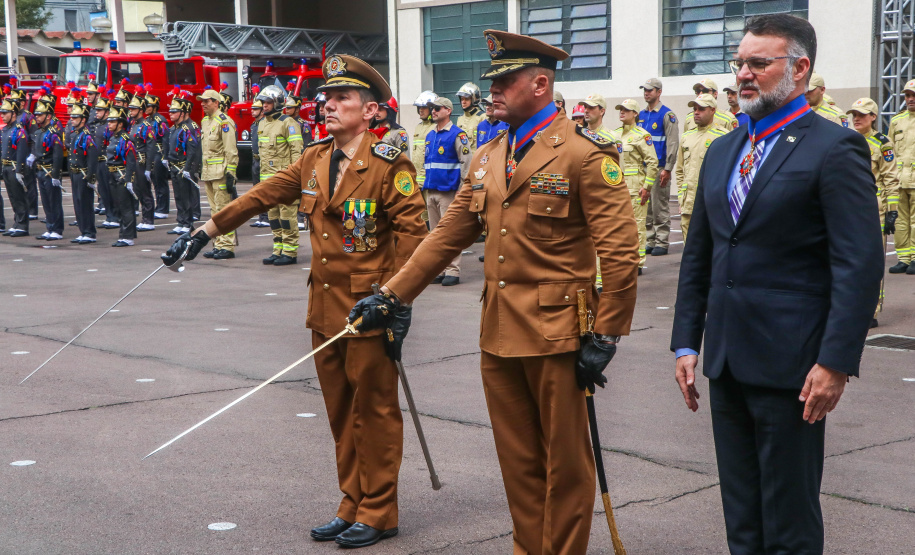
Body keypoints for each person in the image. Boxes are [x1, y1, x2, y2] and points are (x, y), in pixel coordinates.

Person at [350, 29, 638, 554]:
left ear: (541, 83)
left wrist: (609, 332)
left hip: (559, 334)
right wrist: (392, 295)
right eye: (493, 81)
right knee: (518, 460)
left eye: (505, 81)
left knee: (566, 464)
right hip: (498, 332)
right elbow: (446, 236)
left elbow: (619, 252)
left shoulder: (586, 155)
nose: (493, 91)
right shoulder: (487, 155)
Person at [163, 54, 426, 548]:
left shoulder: (392, 165)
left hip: (370, 309)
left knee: (374, 412)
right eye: (327, 97)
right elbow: (257, 196)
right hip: (324, 309)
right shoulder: (313, 158)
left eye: (342, 97)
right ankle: (351, 502)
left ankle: (380, 510)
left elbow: (416, 240)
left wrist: (397, 301)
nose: (328, 105)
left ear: (371, 112)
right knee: (340, 413)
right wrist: (203, 232)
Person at [672, 15, 884, 555]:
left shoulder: (833, 148)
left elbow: (858, 266)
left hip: (795, 367)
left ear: (799, 68)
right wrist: (685, 341)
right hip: (725, 358)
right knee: (741, 517)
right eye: (739, 63)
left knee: (788, 519)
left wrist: (835, 362)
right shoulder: (723, 150)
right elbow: (701, 254)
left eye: (758, 64)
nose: (743, 74)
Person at [848, 97, 900, 327]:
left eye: (861, 114)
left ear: (873, 117)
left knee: (872, 261)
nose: (856, 118)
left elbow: (890, 178)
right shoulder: (847, 140)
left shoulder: (882, 143)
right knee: (849, 260)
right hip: (848, 207)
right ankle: (849, 306)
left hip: (873, 210)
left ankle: (872, 310)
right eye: (854, 114)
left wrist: (892, 211)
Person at [423, 96, 472, 286]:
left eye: (437, 108)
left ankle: (453, 270)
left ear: (448, 111)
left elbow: (466, 164)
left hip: (449, 192)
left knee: (450, 232)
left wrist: (462, 190)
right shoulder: (430, 135)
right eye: (432, 108)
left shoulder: (458, 135)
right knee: (435, 234)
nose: (433, 111)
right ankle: (440, 269)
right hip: (431, 190)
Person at [257, 85, 303, 265]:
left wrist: (295, 177)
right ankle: (278, 249)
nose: (265, 105)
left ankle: (290, 252)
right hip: (267, 180)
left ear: (277, 102)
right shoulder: (262, 123)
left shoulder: (288, 123)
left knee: (287, 217)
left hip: (285, 179)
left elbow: (296, 152)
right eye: (263, 102)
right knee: (273, 217)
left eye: (268, 102)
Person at [675, 94, 727, 242]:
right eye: (694, 109)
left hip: (710, 201)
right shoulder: (686, 136)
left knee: (709, 241)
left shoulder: (722, 136)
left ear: (713, 110)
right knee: (689, 242)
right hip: (688, 201)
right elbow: (679, 170)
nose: (696, 112)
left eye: (701, 109)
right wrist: (680, 197)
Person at [616, 98, 659, 273]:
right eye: (620, 109)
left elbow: (653, 162)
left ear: (635, 114)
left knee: (637, 226)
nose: (622, 112)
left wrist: (647, 187)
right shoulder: (615, 134)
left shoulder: (642, 136)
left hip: (635, 188)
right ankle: (621, 260)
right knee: (618, 226)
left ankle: (638, 262)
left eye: (626, 110)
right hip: (617, 187)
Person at [639, 78, 680, 257]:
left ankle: (662, 241)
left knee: (659, 206)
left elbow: (672, 143)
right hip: (644, 169)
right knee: (646, 206)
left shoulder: (667, 115)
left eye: (650, 90)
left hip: (659, 167)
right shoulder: (640, 115)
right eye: (645, 90)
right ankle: (650, 240)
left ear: (659, 92)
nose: (647, 93)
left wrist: (668, 168)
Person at [197, 87, 239, 260]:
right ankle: (219, 243)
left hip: (221, 173)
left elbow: (231, 150)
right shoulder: (205, 122)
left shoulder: (224, 122)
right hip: (208, 173)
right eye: (202, 101)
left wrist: (231, 173)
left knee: (223, 211)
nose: (203, 104)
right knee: (214, 211)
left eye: (206, 101)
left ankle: (227, 246)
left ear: (216, 103)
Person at [165, 88, 201, 236]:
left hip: (183, 167)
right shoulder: (174, 128)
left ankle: (187, 223)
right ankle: (180, 221)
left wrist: (188, 168)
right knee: (178, 196)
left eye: (174, 111)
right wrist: (167, 158)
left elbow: (193, 149)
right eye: (171, 111)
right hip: (174, 166)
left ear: (183, 112)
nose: (171, 114)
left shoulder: (188, 128)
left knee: (186, 196)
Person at [888, 78, 915, 274]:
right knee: (900, 221)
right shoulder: (896, 120)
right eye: (908, 95)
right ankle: (904, 258)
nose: (911, 99)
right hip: (899, 180)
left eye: (914, 96)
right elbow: (889, 150)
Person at [67, 97, 100, 244]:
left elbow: (92, 159)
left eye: (76, 117)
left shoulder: (87, 137)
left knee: (85, 204)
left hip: (83, 174)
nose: (72, 119)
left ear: (83, 119)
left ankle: (89, 232)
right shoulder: (75, 135)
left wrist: (91, 178)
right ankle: (83, 230)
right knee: (77, 203)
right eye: (72, 117)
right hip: (75, 174)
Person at [31, 99, 65, 241]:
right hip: (40, 170)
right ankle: (50, 227)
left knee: (54, 201)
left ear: (49, 116)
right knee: (45, 201)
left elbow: (57, 156)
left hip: (50, 171)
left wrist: (56, 175)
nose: (37, 117)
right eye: (37, 115)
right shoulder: (39, 132)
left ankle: (57, 229)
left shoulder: (53, 133)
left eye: (40, 115)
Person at [106, 107, 140, 247]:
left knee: (126, 207)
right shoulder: (114, 137)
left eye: (112, 121)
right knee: (119, 206)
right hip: (113, 174)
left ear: (120, 123)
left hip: (122, 175)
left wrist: (129, 180)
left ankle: (127, 236)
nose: (109, 124)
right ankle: (124, 234)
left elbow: (131, 160)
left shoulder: (126, 138)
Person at [127, 86, 157, 232]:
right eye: (130, 109)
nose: (131, 111)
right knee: (138, 190)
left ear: (140, 110)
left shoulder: (146, 126)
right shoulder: (133, 124)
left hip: (142, 161)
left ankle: (148, 219)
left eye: (133, 109)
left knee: (145, 192)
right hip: (134, 161)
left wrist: (148, 168)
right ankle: (144, 218)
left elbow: (151, 148)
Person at [0, 99, 31, 237]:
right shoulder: (5, 129)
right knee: (12, 197)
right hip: (6, 167)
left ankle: (23, 225)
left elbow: (21, 152)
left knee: (19, 197)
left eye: (5, 113)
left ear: (13, 114)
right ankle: (17, 223)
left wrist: (19, 170)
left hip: (13, 168)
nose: (2, 115)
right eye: (2, 113)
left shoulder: (19, 131)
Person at [92, 89, 120, 230]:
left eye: (100, 110)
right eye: (96, 110)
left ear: (107, 112)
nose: (96, 113)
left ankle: (115, 216)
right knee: (103, 190)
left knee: (111, 190)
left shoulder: (109, 128)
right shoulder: (98, 125)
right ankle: (109, 215)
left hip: (108, 162)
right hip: (99, 162)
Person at [144, 85, 171, 219]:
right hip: (151, 154)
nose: (146, 108)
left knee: (161, 183)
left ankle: (163, 208)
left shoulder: (161, 120)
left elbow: (165, 139)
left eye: (148, 106)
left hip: (159, 153)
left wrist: (166, 156)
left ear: (154, 107)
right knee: (154, 181)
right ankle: (159, 206)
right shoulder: (147, 120)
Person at [247, 86, 271, 229]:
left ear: (262, 111)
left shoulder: (265, 123)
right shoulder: (253, 125)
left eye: (255, 109)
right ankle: (261, 216)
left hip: (263, 160)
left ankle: (267, 217)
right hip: (255, 159)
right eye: (252, 109)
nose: (252, 111)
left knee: (265, 189)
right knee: (257, 189)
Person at [410, 90, 436, 192]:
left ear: (431, 109)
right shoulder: (418, 127)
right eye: (419, 107)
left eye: (424, 107)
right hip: (416, 179)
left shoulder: (436, 127)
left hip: (429, 179)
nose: (421, 110)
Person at [455, 82, 486, 151]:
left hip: (476, 159)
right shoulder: (460, 119)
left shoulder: (482, 117)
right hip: (462, 159)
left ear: (474, 99)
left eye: (466, 99)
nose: (463, 102)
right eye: (462, 99)